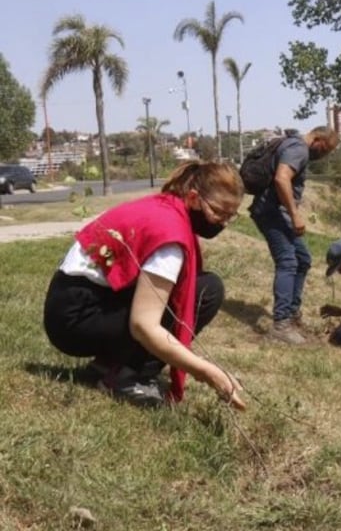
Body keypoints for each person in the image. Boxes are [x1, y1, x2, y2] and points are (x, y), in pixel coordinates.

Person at [42, 161, 246, 409]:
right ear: (193, 198)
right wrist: (206, 371)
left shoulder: (166, 206)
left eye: (231, 216)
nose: (223, 223)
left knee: (204, 286)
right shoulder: (170, 234)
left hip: (73, 300)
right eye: (219, 213)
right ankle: (128, 376)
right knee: (206, 292)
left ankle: (107, 365)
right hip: (74, 319)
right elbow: (143, 326)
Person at [250, 127, 339, 344]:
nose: (323, 155)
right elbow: (282, 179)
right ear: (318, 139)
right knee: (288, 262)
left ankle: (291, 314)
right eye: (325, 150)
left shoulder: (293, 145)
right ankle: (281, 325)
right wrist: (295, 214)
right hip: (272, 213)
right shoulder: (298, 148)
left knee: (303, 259)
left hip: (278, 214)